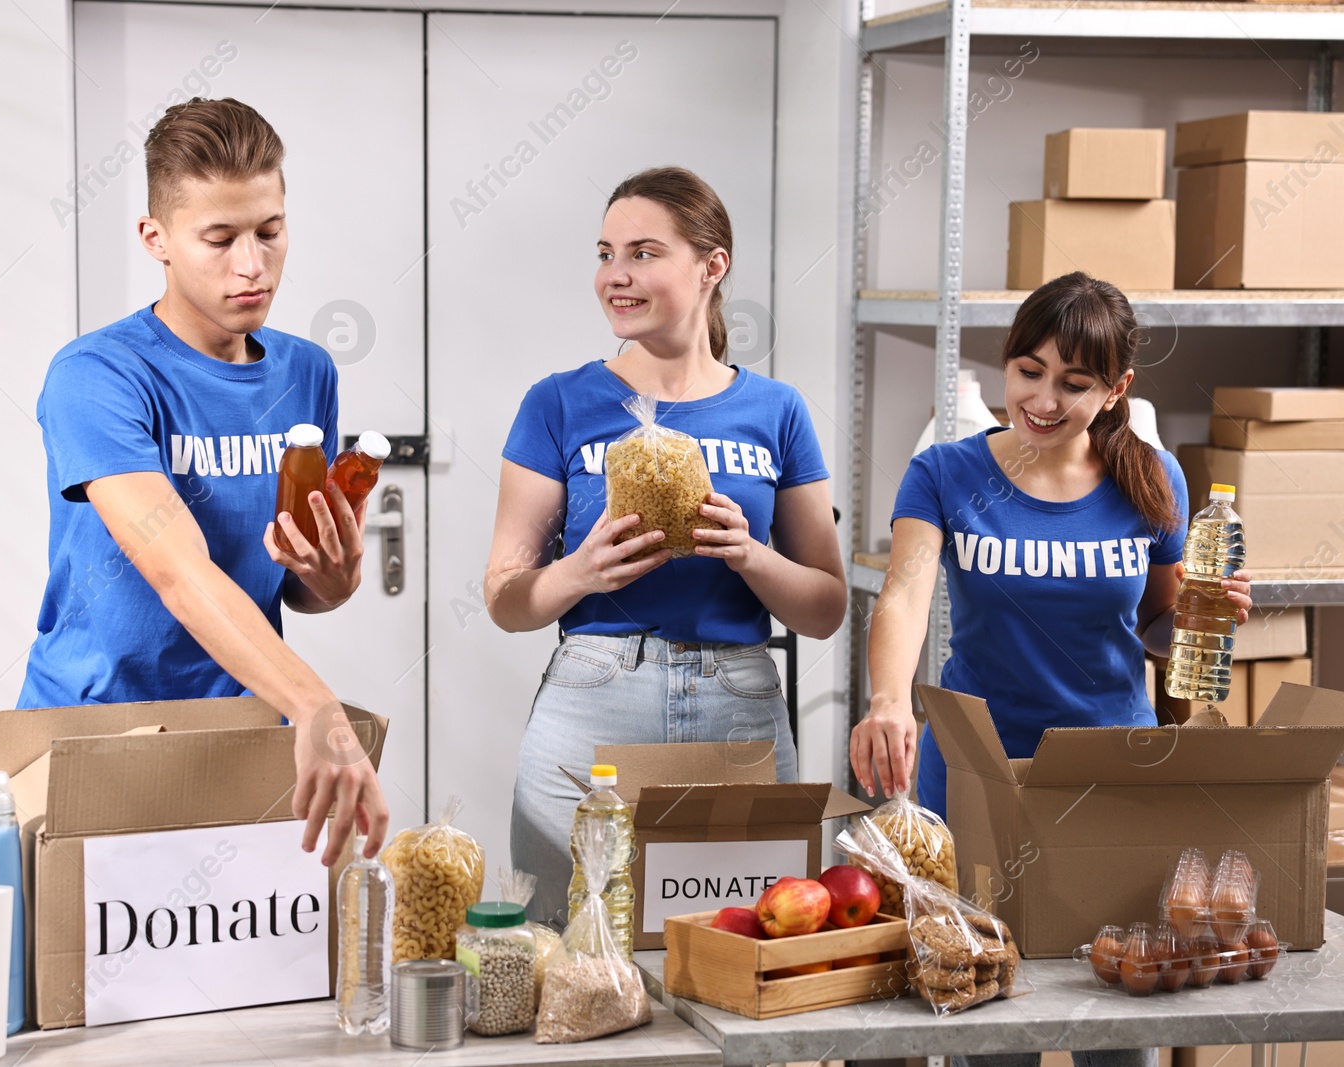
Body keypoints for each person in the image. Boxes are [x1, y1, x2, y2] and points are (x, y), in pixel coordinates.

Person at [849, 272, 1252, 1067]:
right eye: (1028, 370)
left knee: (1118, 1027)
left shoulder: (1153, 478)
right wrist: (888, 698)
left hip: (1110, 776)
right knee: (994, 1027)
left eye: (1074, 382)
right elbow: (902, 594)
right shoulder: (947, 472)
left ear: (1116, 389)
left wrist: (1213, 614)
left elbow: (1160, 627)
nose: (1042, 398)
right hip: (978, 778)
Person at [18, 97, 387, 866]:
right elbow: (179, 572)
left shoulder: (306, 372)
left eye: (269, 231)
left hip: (244, 732)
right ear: (157, 238)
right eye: (218, 238)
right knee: (74, 982)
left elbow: (297, 588)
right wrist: (318, 706)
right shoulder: (99, 374)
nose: (250, 264)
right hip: (98, 733)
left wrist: (337, 575)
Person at [486, 166, 847, 926]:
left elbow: (825, 607)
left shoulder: (777, 410)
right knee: (571, 953)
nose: (616, 276)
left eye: (644, 253)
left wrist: (751, 554)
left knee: (752, 943)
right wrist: (578, 572)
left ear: (712, 266)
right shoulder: (558, 402)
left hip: (739, 704)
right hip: (593, 702)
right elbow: (505, 597)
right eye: (606, 253)